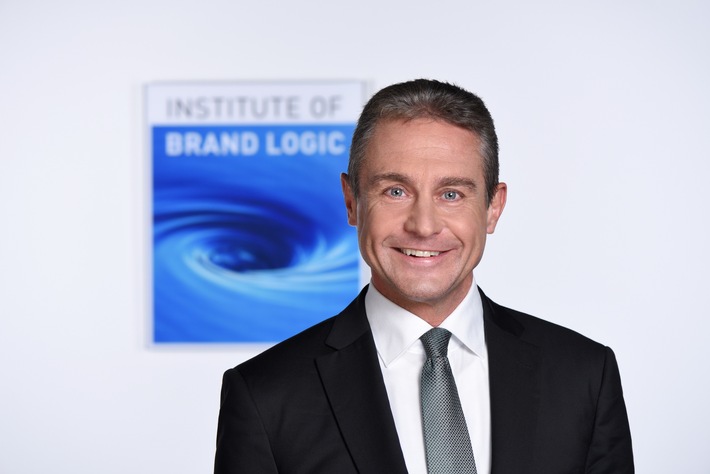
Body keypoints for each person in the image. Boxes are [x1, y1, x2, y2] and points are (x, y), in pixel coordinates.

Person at [214, 79, 634, 473]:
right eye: (395, 191)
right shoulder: (264, 396)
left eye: (451, 194)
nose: (424, 225)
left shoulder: (584, 376)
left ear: (493, 208)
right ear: (352, 201)